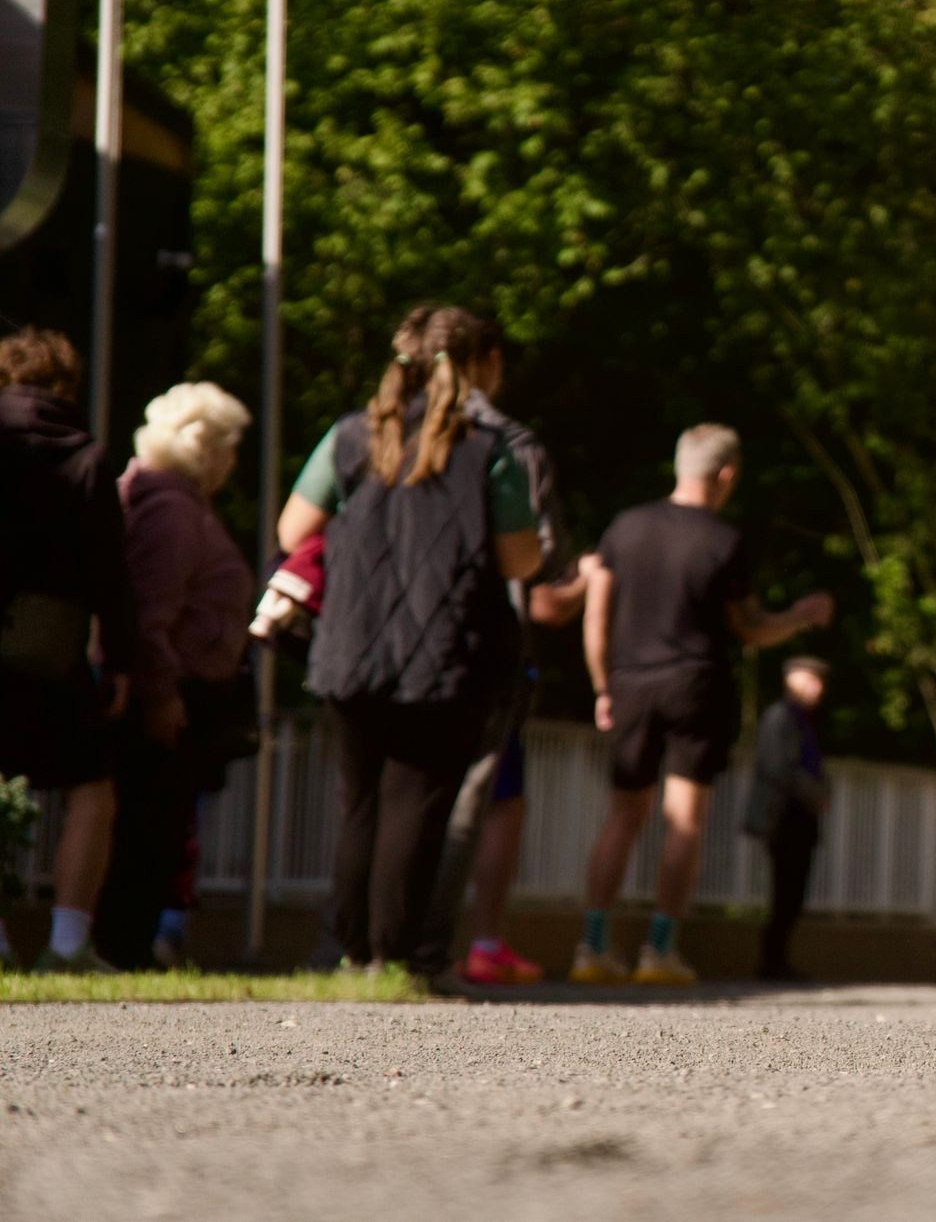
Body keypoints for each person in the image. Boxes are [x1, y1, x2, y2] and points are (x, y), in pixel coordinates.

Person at [280, 306, 543, 970]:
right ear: (479, 366)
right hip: (446, 651)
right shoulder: (488, 451)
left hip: (350, 641)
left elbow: (293, 530)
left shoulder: (349, 438)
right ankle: (391, 959)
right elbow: (520, 561)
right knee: (415, 804)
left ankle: (346, 951)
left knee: (361, 802)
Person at [571, 424, 832, 987]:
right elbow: (750, 628)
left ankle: (592, 947)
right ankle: (658, 951)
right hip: (695, 682)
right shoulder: (722, 540)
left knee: (623, 812)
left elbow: (597, 617)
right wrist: (800, 616)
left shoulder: (625, 527)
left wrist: (602, 687)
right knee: (684, 820)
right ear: (727, 475)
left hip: (630, 681)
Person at [414, 312, 594, 986]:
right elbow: (542, 591)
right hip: (485, 644)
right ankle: (465, 943)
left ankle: (364, 942)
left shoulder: (373, 431)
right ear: (488, 359)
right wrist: (590, 581)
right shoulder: (508, 445)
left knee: (393, 790)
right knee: (485, 799)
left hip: (379, 640)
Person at [95, 382, 256, 970]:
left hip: (173, 692)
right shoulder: (172, 512)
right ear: (206, 450)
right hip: (169, 697)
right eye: (230, 448)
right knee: (148, 830)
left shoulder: (163, 502)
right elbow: (150, 614)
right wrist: (162, 696)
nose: (234, 462)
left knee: (154, 828)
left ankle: (128, 946)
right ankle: (125, 950)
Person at [0, 327, 139, 973]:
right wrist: (120, 659)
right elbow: (112, 572)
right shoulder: (86, 457)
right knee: (91, 789)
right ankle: (67, 941)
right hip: (52, 647)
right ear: (66, 387)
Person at [744, 655, 831, 982]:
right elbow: (779, 769)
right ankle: (771, 962)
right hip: (783, 818)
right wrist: (815, 793)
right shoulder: (780, 717)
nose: (818, 688)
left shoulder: (806, 720)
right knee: (784, 892)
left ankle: (778, 961)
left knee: (793, 893)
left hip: (800, 819)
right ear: (790, 679)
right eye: (811, 679)